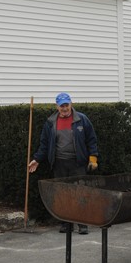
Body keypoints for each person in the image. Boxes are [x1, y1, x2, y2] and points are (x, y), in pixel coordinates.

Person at [28, 92, 99, 235]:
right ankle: (66, 224)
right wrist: (37, 159)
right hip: (59, 163)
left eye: (66, 105)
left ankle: (82, 224)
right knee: (62, 194)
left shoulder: (82, 119)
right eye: (62, 106)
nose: (65, 108)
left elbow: (91, 139)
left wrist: (93, 157)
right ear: (57, 106)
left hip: (78, 163)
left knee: (80, 193)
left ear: (71, 104)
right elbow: (44, 144)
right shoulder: (50, 122)